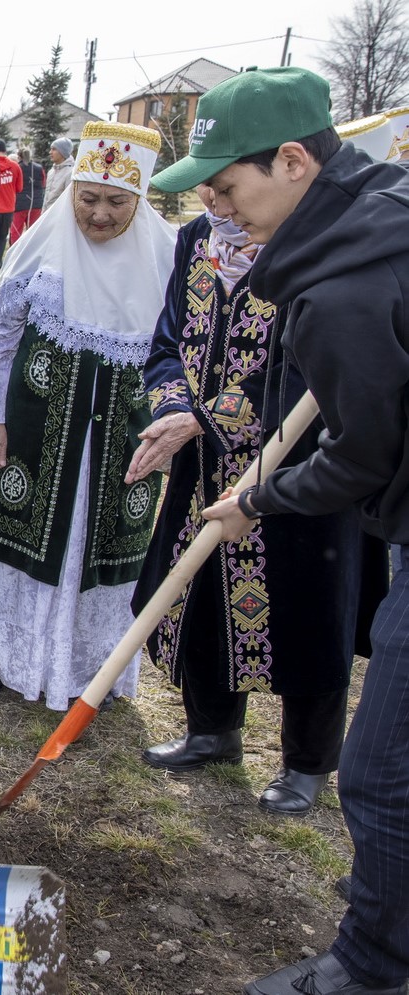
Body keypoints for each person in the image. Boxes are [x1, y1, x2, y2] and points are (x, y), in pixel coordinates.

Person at [157, 65, 409, 995]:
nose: (220, 204)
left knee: (379, 774)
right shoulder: (376, 208)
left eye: (228, 184)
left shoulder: (339, 294)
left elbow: (360, 461)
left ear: (296, 161)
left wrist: (255, 500)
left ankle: (376, 965)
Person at [128, 181, 387, 812]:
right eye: (207, 192)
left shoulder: (318, 249)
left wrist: (211, 417)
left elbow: (309, 373)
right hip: (206, 459)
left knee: (309, 606)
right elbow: (169, 335)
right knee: (205, 584)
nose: (216, 206)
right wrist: (174, 407)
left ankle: (306, 761)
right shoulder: (196, 239)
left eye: (227, 190)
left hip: (303, 466)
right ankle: (213, 730)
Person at [0, 122, 176, 709]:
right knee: (23, 531)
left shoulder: (168, 259)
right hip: (37, 429)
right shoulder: (40, 248)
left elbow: (183, 355)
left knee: (101, 546)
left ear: (140, 198)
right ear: (71, 191)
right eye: (88, 198)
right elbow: (1, 336)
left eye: (116, 201)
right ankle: (3, 661)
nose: (100, 214)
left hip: (122, 440)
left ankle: (90, 671)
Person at [0, 138, 22, 271]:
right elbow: (19, 188)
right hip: (8, 207)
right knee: (2, 238)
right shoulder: (15, 166)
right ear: (5, 150)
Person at [9, 146, 45, 243]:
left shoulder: (16, 167)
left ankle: (14, 255)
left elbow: (12, 185)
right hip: (36, 204)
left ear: (19, 156)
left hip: (19, 204)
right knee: (33, 232)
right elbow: (43, 184)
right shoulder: (39, 168)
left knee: (16, 232)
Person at [43, 136, 74, 208]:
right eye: (51, 149)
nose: (50, 152)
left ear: (62, 152)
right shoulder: (51, 171)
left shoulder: (70, 172)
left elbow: (69, 200)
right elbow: (46, 198)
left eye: (54, 149)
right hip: (47, 215)